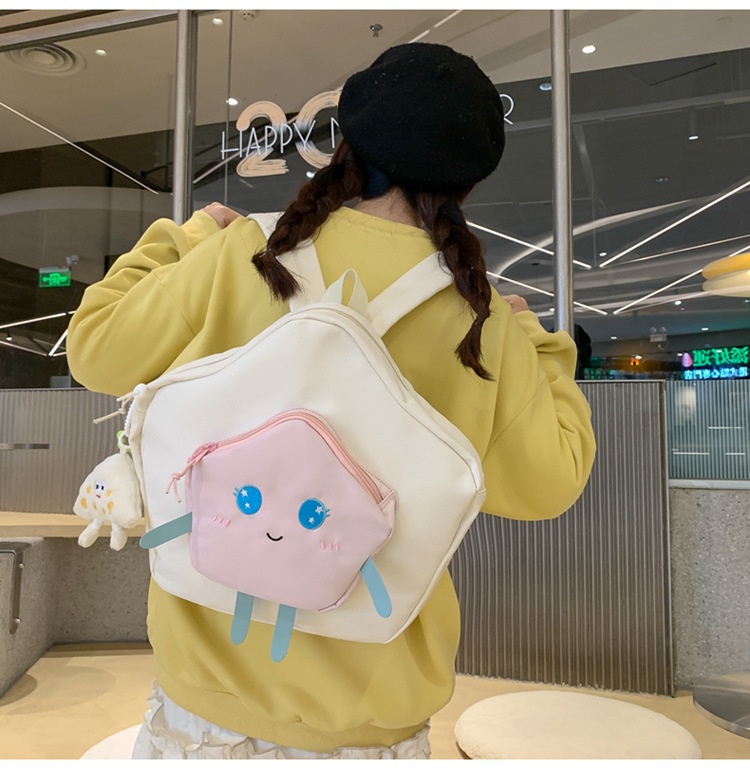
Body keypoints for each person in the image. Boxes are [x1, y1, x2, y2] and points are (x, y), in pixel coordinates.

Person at [66, 43, 596, 760]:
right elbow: (550, 482)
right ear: (466, 183)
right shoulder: (482, 326)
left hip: (197, 711)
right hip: (368, 722)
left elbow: (94, 349)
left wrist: (185, 237)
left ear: (346, 144)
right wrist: (539, 342)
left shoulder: (244, 255)